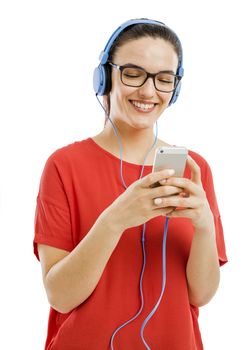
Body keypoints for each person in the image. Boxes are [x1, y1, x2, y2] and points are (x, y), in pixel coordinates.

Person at [33, 19, 228, 350]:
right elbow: (61, 297)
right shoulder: (64, 166)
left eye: (164, 79)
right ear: (106, 76)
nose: (149, 92)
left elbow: (201, 295)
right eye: (134, 74)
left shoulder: (194, 170)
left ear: (175, 88)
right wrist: (116, 219)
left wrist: (205, 226)